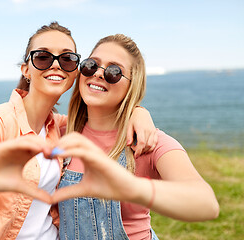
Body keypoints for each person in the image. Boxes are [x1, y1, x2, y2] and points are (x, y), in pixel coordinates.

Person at [0, 23, 157, 240]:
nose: (55, 64)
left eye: (68, 59)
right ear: (26, 69)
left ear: (75, 72)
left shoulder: (60, 128)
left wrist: (137, 110)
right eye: (42, 57)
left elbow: (102, 118)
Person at [50, 34, 220, 240]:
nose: (98, 74)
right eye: (91, 65)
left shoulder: (146, 142)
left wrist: (131, 188)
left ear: (132, 84)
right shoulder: (59, 131)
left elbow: (206, 204)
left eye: (114, 71)